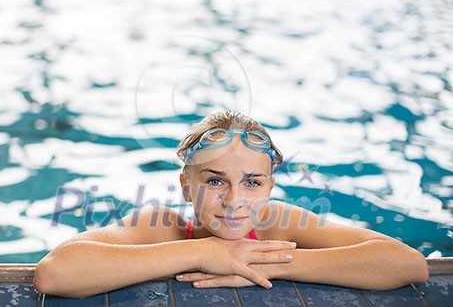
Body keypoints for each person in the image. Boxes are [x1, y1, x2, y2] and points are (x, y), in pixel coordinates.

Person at [34, 111, 429, 298]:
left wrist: (256, 262)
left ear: (270, 188)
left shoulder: (280, 225)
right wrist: (207, 250)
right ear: (187, 188)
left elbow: (408, 263)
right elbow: (55, 274)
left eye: (252, 182)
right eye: (215, 181)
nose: (235, 200)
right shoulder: (161, 225)